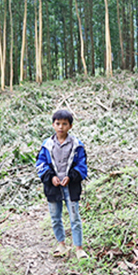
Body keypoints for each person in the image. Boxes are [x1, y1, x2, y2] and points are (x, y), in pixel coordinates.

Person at [35, 109, 89, 259]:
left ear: (70, 126)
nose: (61, 127)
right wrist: (50, 176)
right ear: (53, 125)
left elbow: (82, 165)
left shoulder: (77, 145)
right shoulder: (47, 145)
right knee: (55, 217)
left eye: (64, 124)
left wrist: (72, 177)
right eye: (58, 124)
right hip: (53, 187)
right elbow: (40, 163)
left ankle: (79, 248)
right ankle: (61, 244)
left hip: (71, 187)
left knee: (75, 217)